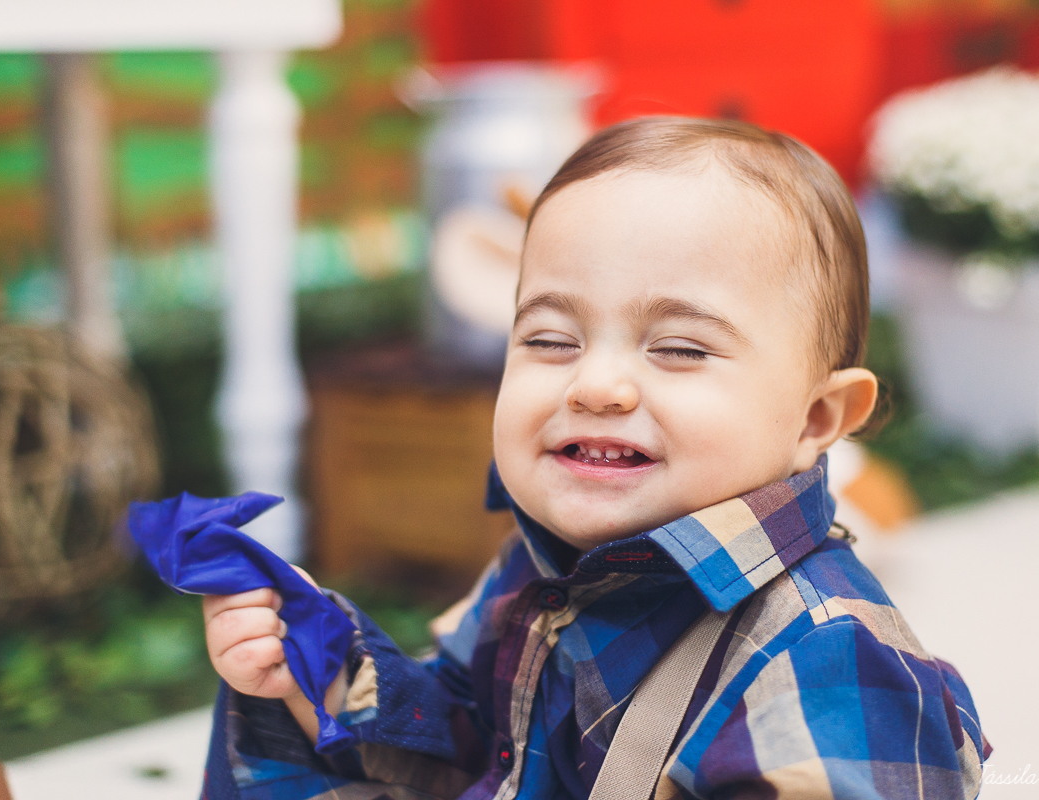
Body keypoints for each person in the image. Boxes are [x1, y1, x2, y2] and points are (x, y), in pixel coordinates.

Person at [200, 117, 990, 799]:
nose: (598, 383)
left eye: (679, 348)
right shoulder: (537, 569)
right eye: (550, 339)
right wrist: (325, 679)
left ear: (815, 417)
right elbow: (470, 745)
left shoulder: (830, 665)